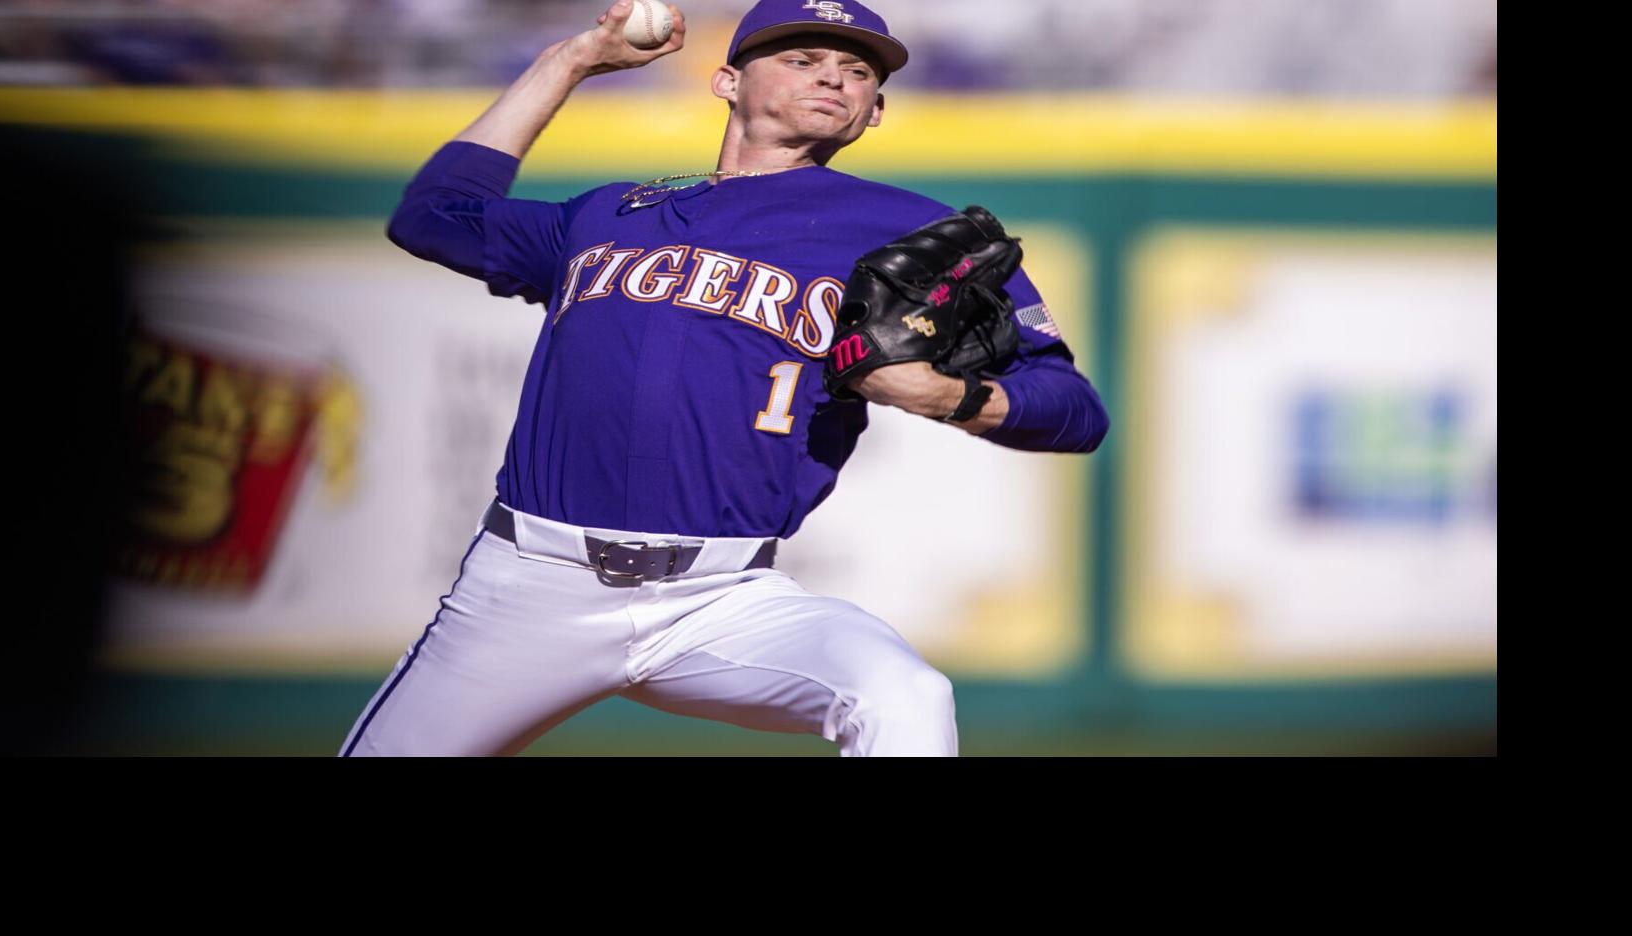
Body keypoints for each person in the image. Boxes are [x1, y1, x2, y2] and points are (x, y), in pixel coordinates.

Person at [339, 0, 1109, 757]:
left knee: (905, 695)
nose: (834, 79)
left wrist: (952, 396)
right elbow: (435, 215)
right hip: (529, 583)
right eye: (802, 59)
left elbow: (1075, 409)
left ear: (874, 113)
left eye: (858, 71)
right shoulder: (609, 214)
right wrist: (569, 61)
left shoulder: (913, 232)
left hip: (721, 597)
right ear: (726, 82)